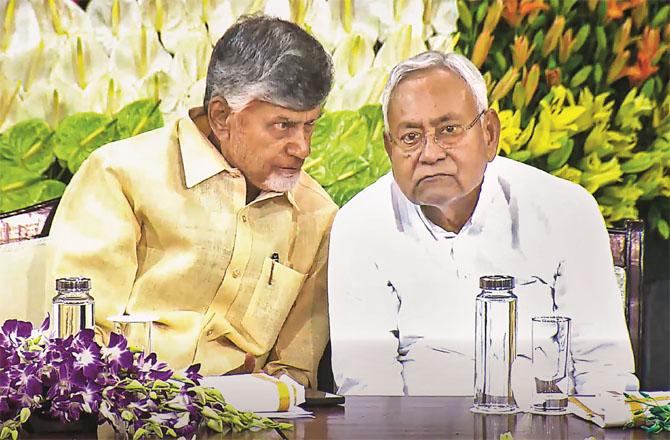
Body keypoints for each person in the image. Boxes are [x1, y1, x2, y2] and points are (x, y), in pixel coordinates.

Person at [46, 15, 336, 388]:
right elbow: (78, 342)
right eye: (282, 125)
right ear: (221, 116)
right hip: (128, 407)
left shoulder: (317, 215)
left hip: (249, 420)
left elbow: (295, 375)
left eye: (309, 124)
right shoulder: (120, 175)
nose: (303, 148)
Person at [328, 50, 639, 396]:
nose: (430, 154)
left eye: (448, 130)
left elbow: (605, 374)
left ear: (489, 133)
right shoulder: (359, 226)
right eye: (411, 137)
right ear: (389, 147)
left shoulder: (566, 211)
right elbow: (368, 390)